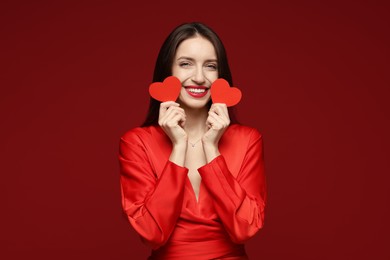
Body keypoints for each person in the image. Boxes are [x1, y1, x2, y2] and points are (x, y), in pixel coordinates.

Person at [118, 22, 266, 259]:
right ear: (168, 71)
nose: (199, 77)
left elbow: (245, 229)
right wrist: (178, 147)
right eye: (185, 64)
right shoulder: (136, 143)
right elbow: (152, 234)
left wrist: (212, 149)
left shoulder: (247, 139)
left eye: (210, 66)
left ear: (221, 76)